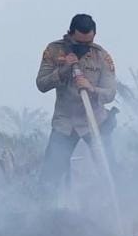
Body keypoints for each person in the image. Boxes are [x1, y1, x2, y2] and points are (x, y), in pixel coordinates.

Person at [36, 14, 117, 187]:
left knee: (110, 172)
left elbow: (110, 94)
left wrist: (92, 89)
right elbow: (41, 84)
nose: (84, 48)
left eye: (88, 43)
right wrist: (64, 69)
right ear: (70, 34)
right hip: (65, 123)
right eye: (79, 43)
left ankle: (116, 209)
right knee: (50, 177)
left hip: (95, 121)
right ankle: (46, 211)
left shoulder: (102, 57)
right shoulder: (54, 51)